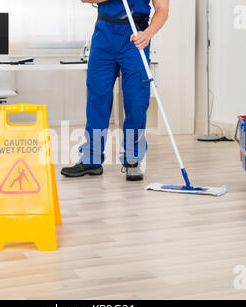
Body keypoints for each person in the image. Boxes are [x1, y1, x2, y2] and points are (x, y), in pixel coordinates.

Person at [61, 0, 170, 181]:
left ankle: (133, 160)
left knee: (136, 100)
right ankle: (91, 159)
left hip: (135, 36)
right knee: (97, 98)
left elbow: (163, 9)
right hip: (104, 34)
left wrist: (148, 34)